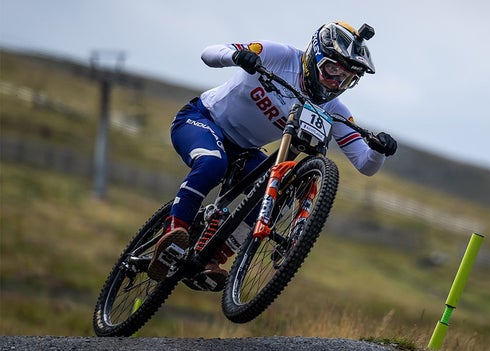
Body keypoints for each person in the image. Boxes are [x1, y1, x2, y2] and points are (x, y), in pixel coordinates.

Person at [147, 21, 398, 291]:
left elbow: (365, 164)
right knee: (212, 163)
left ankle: (211, 258)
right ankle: (173, 232)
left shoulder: (332, 107)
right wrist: (236, 56)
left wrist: (378, 151)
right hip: (202, 119)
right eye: (332, 69)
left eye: (346, 79)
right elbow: (209, 53)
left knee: (278, 193)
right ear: (315, 56)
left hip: (244, 151)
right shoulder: (278, 55)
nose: (336, 82)